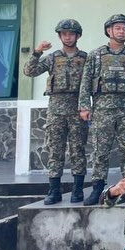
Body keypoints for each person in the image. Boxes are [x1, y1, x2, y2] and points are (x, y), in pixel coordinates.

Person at [79, 14, 125, 206]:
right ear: (109, 31)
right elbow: (85, 82)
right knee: (100, 151)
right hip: (103, 109)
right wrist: (85, 106)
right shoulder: (96, 55)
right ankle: (97, 189)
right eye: (118, 28)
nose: (122, 31)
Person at [24, 18, 89, 204]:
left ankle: (77, 190)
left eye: (71, 34)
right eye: (64, 34)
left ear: (78, 36)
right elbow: (30, 71)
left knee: (78, 149)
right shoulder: (52, 58)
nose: (68, 37)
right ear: (60, 36)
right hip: (56, 109)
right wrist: (37, 52)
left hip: (78, 108)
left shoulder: (85, 58)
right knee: (55, 150)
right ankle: (54, 190)